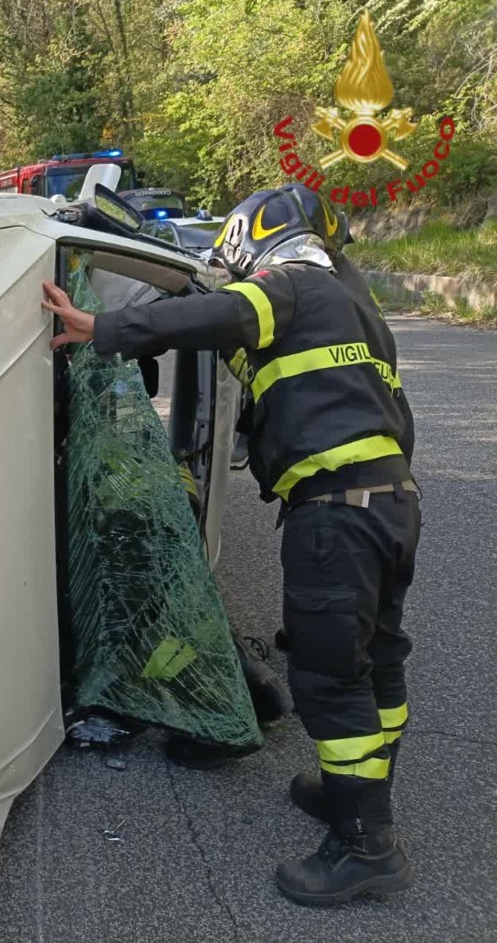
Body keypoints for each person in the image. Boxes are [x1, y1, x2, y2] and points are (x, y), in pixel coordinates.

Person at [41, 186, 419, 906]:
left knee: (331, 678)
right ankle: (353, 794)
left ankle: (365, 846)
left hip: (335, 513)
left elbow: (219, 313)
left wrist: (101, 327)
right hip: (393, 504)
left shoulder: (294, 288)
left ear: (257, 241)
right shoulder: (360, 310)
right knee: (378, 660)